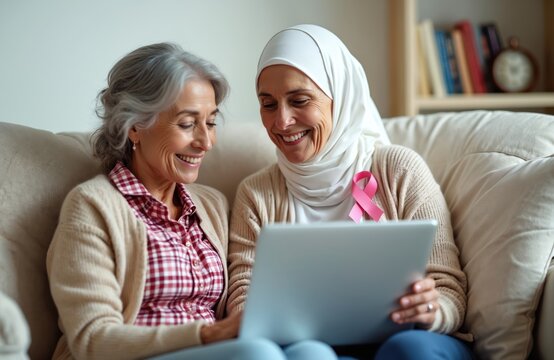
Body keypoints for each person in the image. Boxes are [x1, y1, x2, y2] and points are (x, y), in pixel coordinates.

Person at [46, 42, 337, 360]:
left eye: (211, 123)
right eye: (187, 124)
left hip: (220, 352)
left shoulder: (210, 205)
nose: (206, 142)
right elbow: (92, 340)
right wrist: (208, 334)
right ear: (134, 127)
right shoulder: (92, 207)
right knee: (257, 355)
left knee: (313, 352)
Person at [226, 25, 474, 359]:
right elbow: (243, 296)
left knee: (408, 349)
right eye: (268, 104)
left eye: (299, 100)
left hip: (411, 341)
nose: (281, 121)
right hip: (314, 349)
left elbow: (448, 287)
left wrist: (433, 309)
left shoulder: (399, 170)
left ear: (340, 97)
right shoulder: (256, 194)